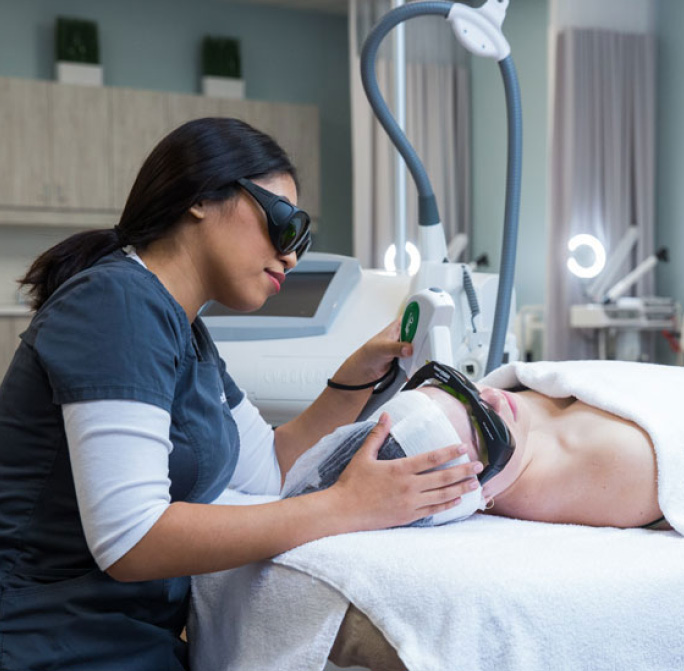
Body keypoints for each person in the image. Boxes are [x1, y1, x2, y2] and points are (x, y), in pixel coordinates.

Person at [0, 118, 481, 671]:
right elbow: (132, 540)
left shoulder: (187, 333)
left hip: (130, 643)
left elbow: (272, 469)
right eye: (284, 225)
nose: (292, 256)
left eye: (303, 240)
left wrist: (361, 371)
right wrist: (345, 506)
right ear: (202, 196)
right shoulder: (116, 303)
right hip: (51, 645)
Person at [281, 359, 673, 532]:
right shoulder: (618, 461)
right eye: (487, 428)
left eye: (464, 388)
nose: (497, 397)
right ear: (472, 492)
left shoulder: (504, 451)